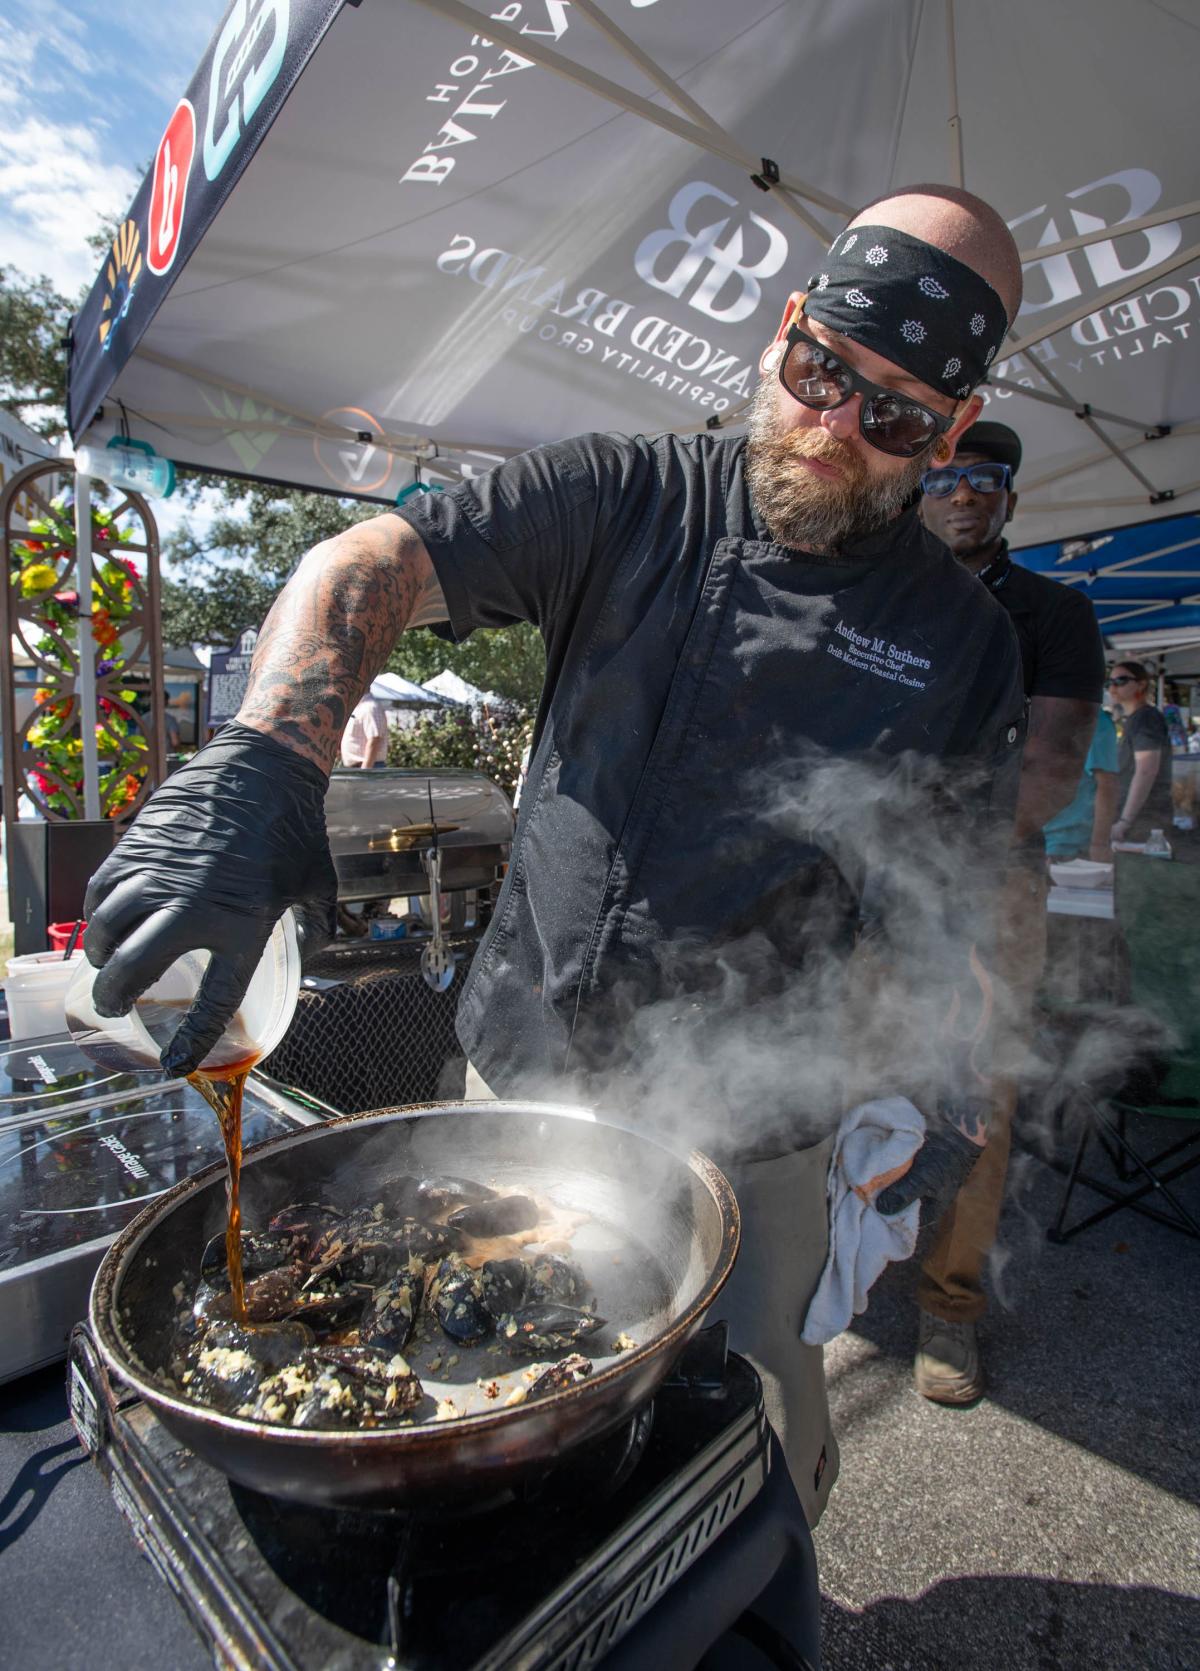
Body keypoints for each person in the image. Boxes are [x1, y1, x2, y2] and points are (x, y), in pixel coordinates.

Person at [81, 184, 1028, 1525]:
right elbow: (376, 555)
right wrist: (270, 752)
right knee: (469, 1417)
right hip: (517, 1075)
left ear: (945, 434)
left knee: (742, 1454)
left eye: (896, 418)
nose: (835, 430)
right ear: (785, 329)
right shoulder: (626, 495)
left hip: (756, 1141)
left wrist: (935, 1079)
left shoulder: (963, 638)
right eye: (824, 373)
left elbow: (950, 891)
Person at [917, 419, 1104, 1402]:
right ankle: (820, 1264)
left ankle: (948, 1310)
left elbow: (1052, 771)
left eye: (985, 476)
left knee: (979, 1085)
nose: (963, 491)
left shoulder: (1051, 613)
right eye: (944, 474)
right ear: (915, 487)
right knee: (837, 1054)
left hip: (989, 881)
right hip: (861, 875)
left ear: (1009, 500)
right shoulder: (875, 595)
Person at [1106, 661, 1173, 844]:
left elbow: (1146, 771)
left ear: (1142, 684)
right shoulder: (1135, 719)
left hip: (1145, 821)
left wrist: (1125, 822)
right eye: (1109, 682)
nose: (1112, 687)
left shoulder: (1146, 718)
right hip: (1139, 820)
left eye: (1121, 680)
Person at [1043, 708, 1119, 862]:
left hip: (1072, 847)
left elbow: (1106, 785)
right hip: (1042, 843)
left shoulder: (1094, 720)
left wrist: (1099, 845)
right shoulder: (1039, 713)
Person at [340, 693, 390, 769]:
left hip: (368, 768)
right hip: (358, 768)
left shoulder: (370, 707)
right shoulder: (361, 706)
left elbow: (374, 739)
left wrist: (365, 770)